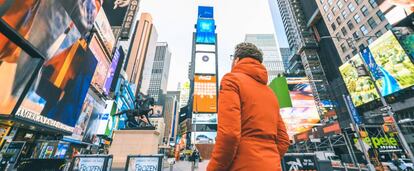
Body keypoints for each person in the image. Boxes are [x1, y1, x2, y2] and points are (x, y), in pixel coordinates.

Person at [207, 43, 290, 171]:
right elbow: (284, 139)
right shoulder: (270, 93)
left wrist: (214, 168)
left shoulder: (231, 80)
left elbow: (229, 134)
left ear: (237, 60)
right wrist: (267, 160)